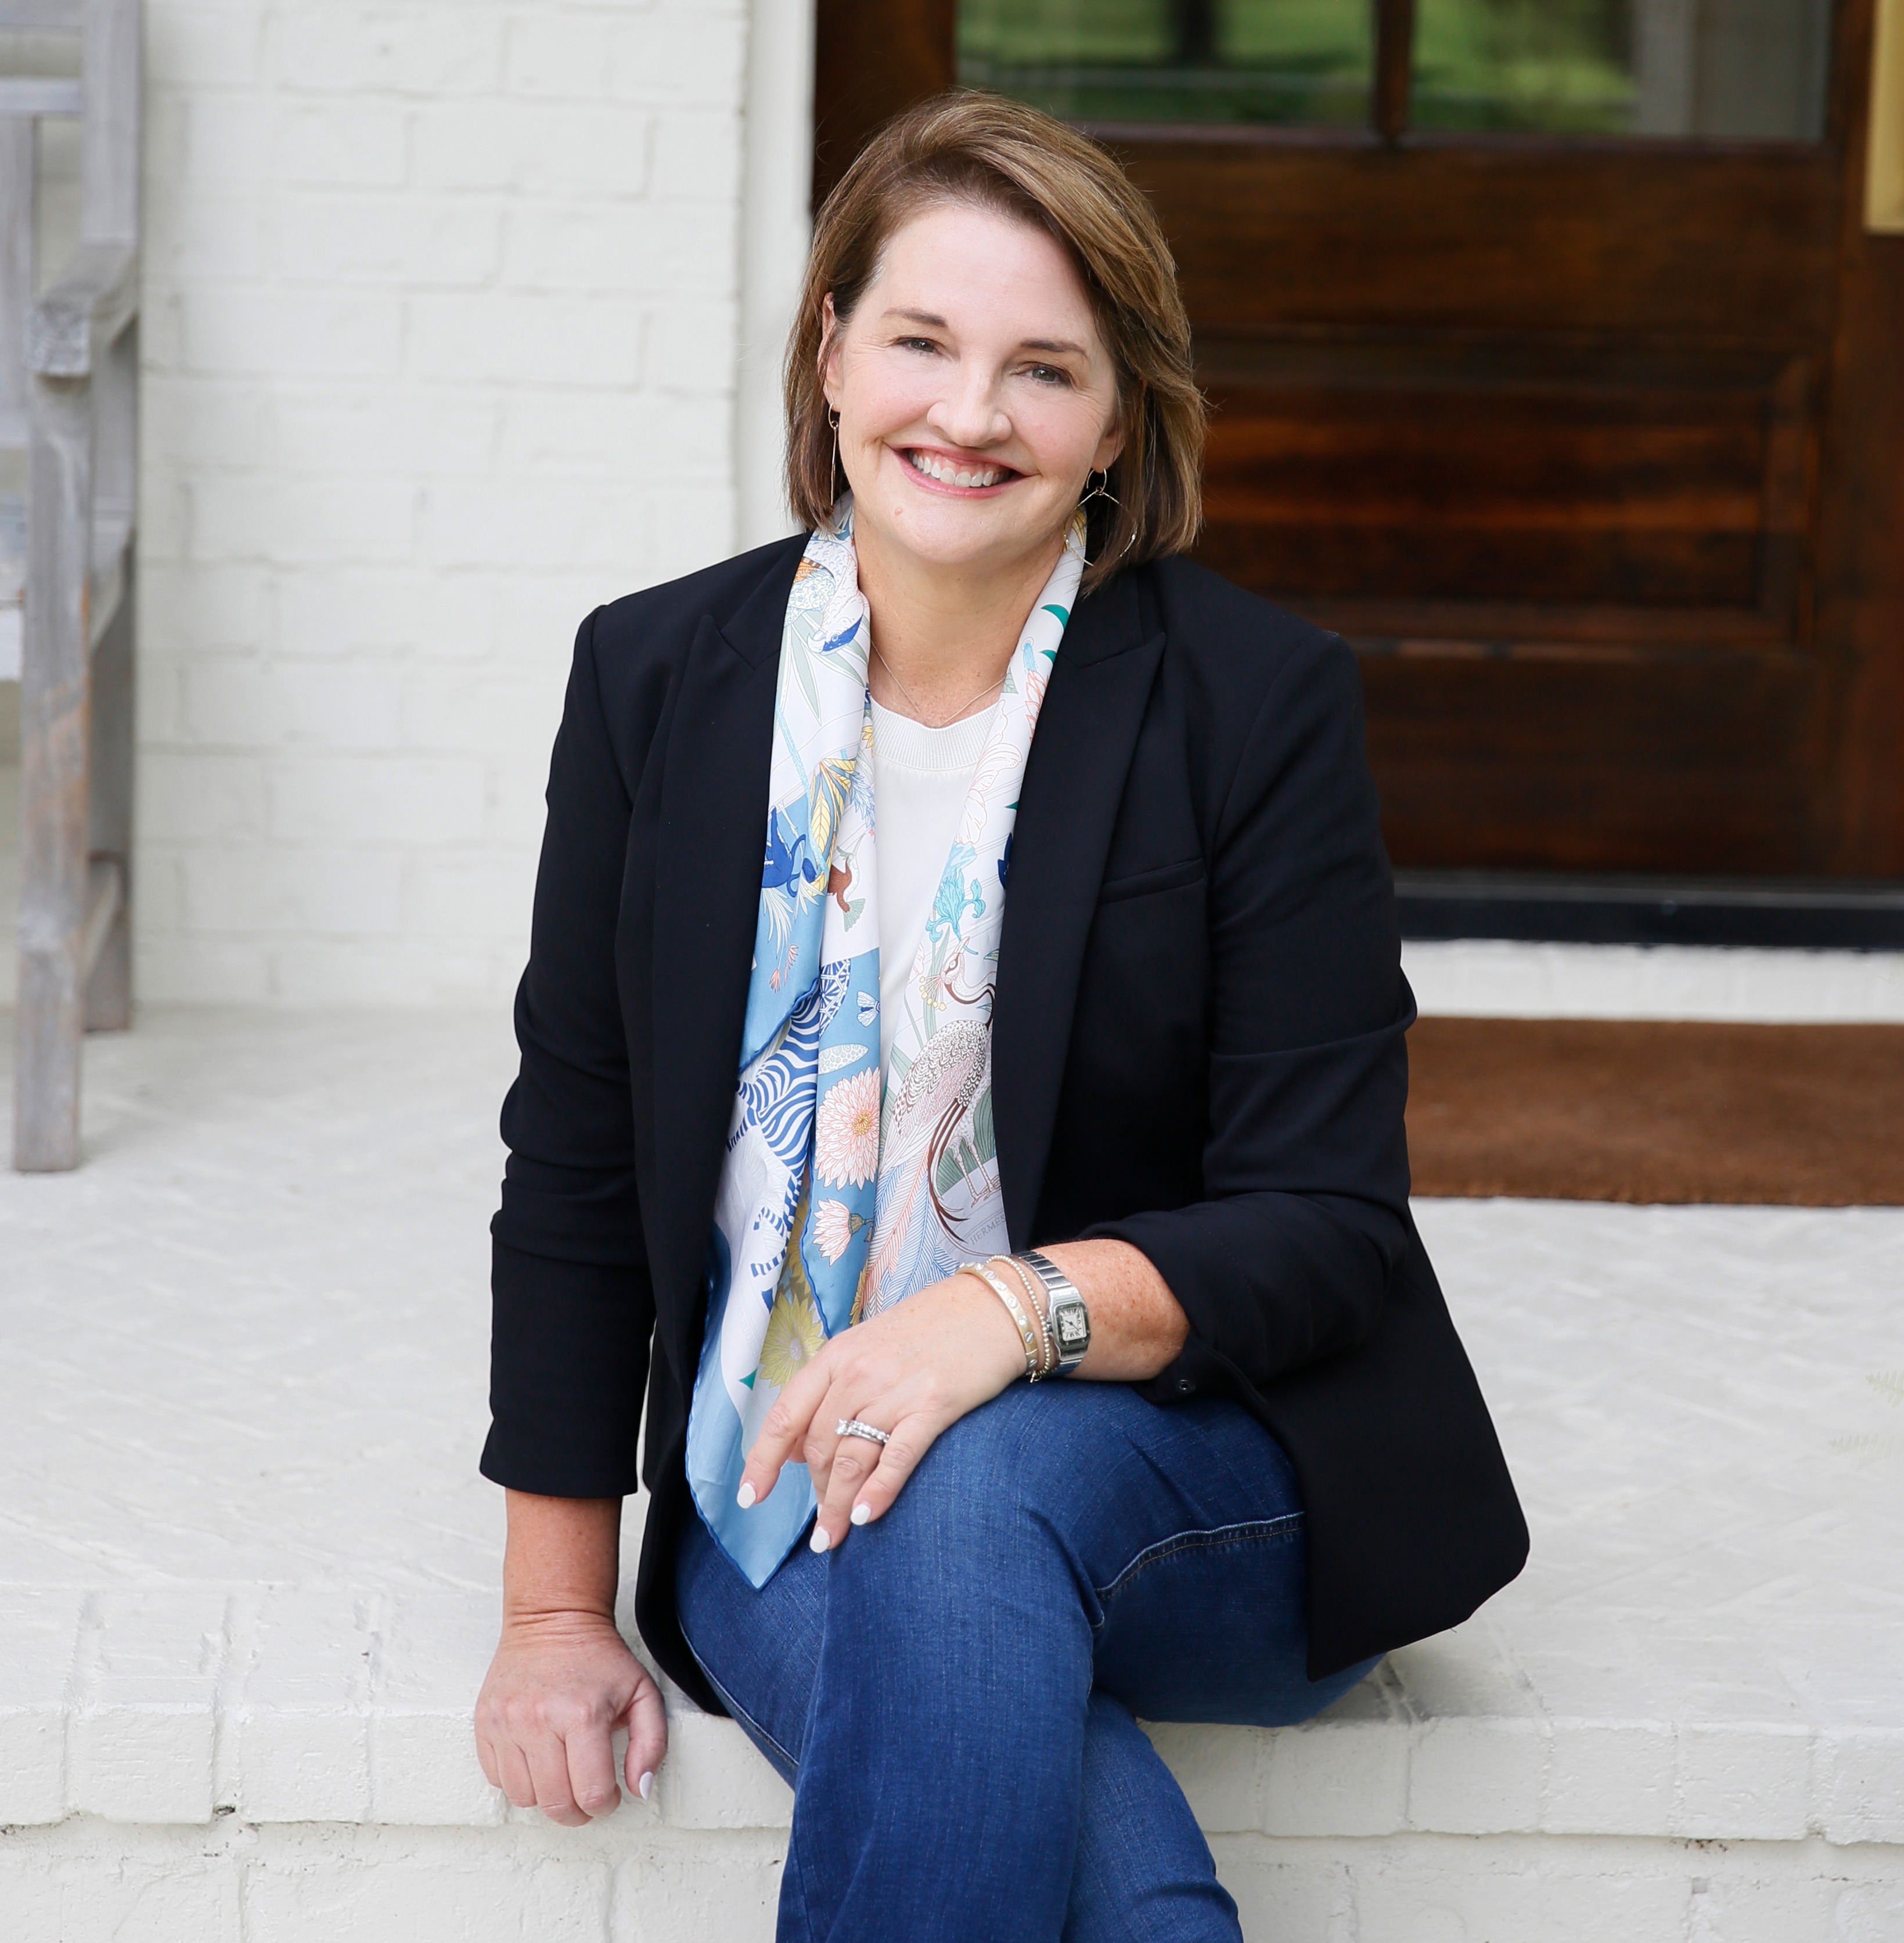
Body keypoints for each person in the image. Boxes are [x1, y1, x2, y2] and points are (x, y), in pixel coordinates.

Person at [473, 92, 1527, 1942]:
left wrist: (996, 1316)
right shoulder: (654, 681)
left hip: (1196, 1465)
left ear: (1119, 417)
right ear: (828, 350)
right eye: (922, 342)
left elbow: (1323, 1226)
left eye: (1044, 368)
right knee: (1069, 1796)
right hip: (775, 1473)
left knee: (971, 1487)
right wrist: (554, 1613)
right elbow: (573, 1156)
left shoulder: (1251, 704)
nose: (968, 415)